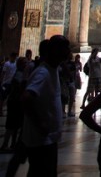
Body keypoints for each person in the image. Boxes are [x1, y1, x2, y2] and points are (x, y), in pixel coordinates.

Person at [19, 35, 71, 176]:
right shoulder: (43, 73)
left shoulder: (53, 70)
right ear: (54, 51)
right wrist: (40, 124)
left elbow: (67, 75)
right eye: (64, 49)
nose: (68, 53)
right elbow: (25, 98)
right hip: (41, 141)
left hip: (47, 139)